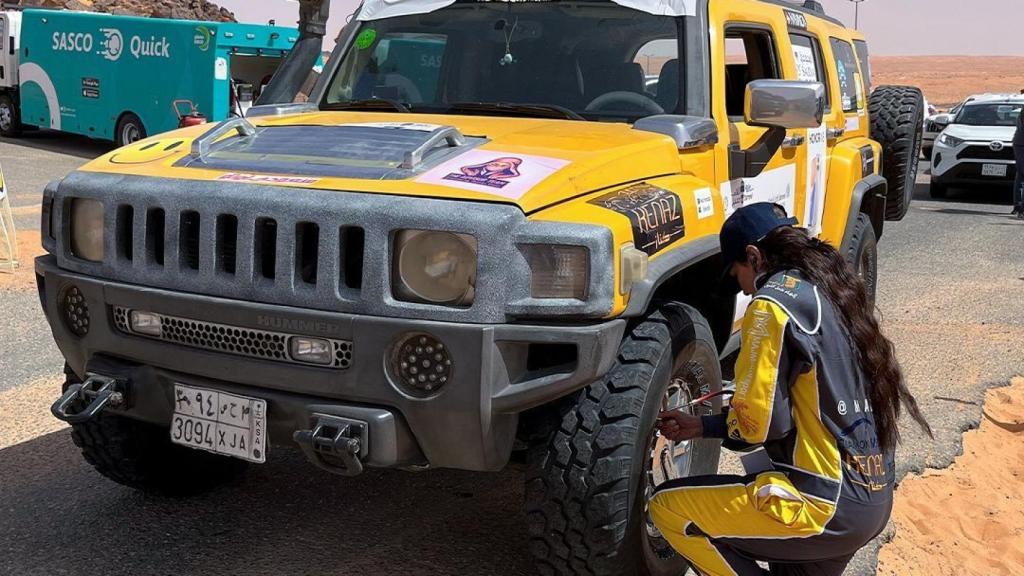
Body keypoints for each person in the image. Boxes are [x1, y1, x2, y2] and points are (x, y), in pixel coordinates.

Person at [650, 203, 932, 576]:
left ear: (753, 256)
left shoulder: (771, 306)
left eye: (738, 276)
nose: (742, 289)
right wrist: (702, 427)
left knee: (669, 509)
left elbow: (758, 426)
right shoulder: (838, 294)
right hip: (870, 502)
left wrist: (725, 419)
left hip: (820, 506)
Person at [1013, 93, 1024, 218]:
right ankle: (1020, 207)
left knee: (1021, 174)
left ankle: (1018, 205)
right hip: (1021, 144)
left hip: (1019, 143)